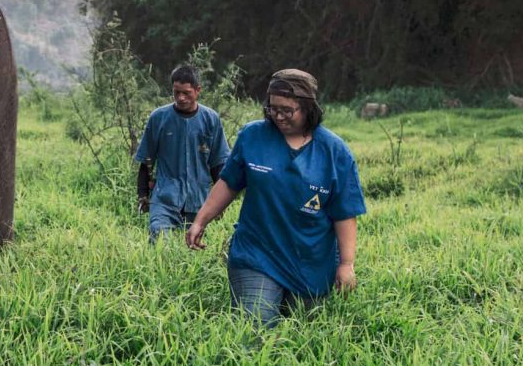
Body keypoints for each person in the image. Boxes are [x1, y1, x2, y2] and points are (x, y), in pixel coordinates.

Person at [186, 69, 366, 327]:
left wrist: (347, 264)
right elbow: (228, 183)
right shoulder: (252, 136)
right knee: (257, 326)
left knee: (303, 328)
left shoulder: (335, 152)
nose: (278, 116)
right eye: (273, 108)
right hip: (257, 253)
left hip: (309, 260)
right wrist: (200, 221)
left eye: (287, 110)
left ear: (307, 108)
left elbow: (344, 212)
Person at [135, 65, 230, 243]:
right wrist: (142, 195)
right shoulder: (158, 118)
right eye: (176, 92)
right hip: (165, 197)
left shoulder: (211, 119)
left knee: (195, 248)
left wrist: (219, 204)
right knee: (160, 240)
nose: (181, 98)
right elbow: (146, 160)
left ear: (198, 90)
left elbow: (218, 165)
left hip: (199, 199)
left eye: (186, 93)